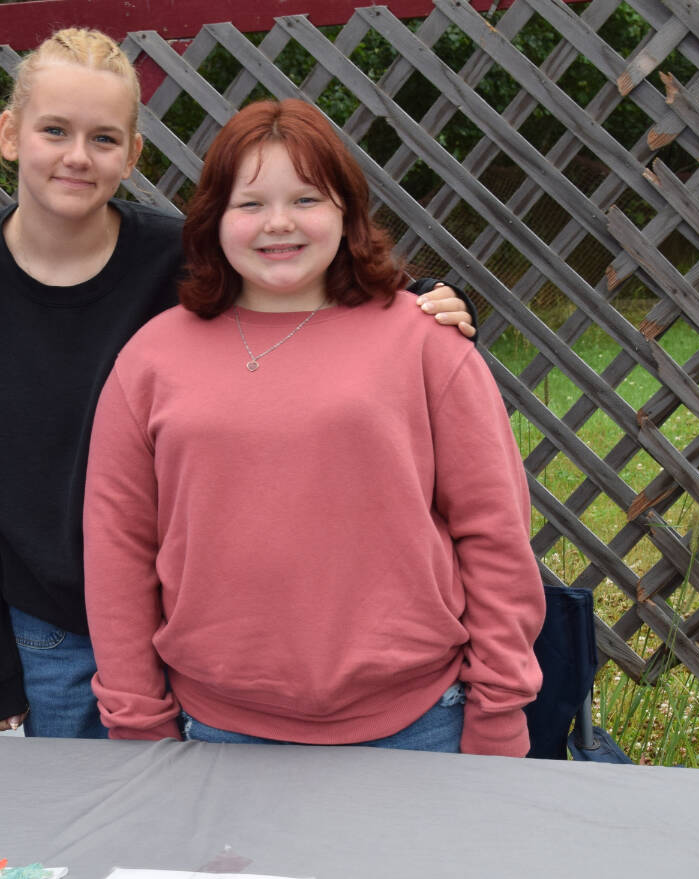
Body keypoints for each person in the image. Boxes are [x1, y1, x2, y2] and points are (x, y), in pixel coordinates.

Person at [0, 29, 473, 738]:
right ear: (10, 134)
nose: (78, 156)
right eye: (55, 131)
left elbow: (304, 291)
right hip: (47, 627)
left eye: (104, 138)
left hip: (185, 621)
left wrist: (423, 298)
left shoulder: (179, 261)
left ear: (133, 154)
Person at [84, 99, 544, 755]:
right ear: (214, 219)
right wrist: (136, 721)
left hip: (419, 723)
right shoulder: (152, 359)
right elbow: (118, 551)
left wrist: (499, 709)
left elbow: (495, 533)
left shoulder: (425, 341)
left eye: (306, 199)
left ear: (346, 212)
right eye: (251, 204)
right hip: (218, 729)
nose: (279, 224)